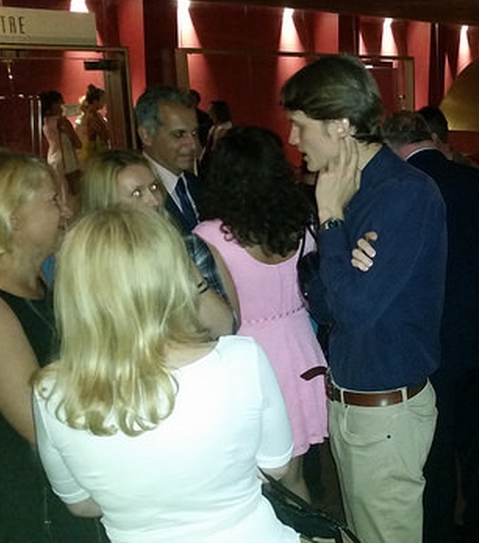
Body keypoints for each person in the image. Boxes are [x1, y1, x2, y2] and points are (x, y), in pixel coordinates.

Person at [31, 204, 298, 543]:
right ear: (174, 275)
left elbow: (80, 503)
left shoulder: (50, 393)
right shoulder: (241, 358)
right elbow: (276, 466)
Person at [281, 54, 446, 543]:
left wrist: (331, 219)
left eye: (299, 125)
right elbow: (326, 303)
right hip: (356, 403)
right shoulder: (354, 188)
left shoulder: (403, 194)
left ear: (340, 125)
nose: (293, 138)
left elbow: (351, 310)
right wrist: (337, 255)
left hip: (385, 413)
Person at [382, 111, 479, 543]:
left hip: (433, 349)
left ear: (392, 148)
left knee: (434, 460)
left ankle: (438, 534)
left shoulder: (398, 190)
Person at [194, 126, 327, 503]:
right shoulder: (301, 225)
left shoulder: (209, 235)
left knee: (249, 481)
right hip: (300, 349)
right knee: (294, 476)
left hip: (245, 357)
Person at [0, 151, 101, 542]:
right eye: (53, 200)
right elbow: (38, 425)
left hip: (67, 486)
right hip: (34, 504)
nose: (67, 210)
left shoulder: (42, 284)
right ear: (13, 217)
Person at [80, 149, 237, 336]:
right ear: (107, 204)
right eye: (137, 193)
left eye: (154, 187)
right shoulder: (88, 265)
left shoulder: (189, 247)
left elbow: (225, 327)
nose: (153, 201)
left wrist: (182, 263)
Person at [134, 85, 201, 234]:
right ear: (146, 135)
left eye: (194, 133)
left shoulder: (198, 186)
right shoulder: (131, 196)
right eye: (179, 134)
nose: (193, 145)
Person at [40, 89, 82, 202]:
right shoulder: (62, 122)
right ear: (53, 104)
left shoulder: (44, 121)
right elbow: (78, 143)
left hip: (53, 156)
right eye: (60, 103)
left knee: (59, 191)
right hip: (66, 157)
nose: (62, 106)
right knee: (72, 193)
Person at [77, 84, 110, 165]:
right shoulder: (92, 117)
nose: (104, 102)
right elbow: (104, 135)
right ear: (95, 101)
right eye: (102, 100)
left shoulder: (94, 115)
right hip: (92, 153)